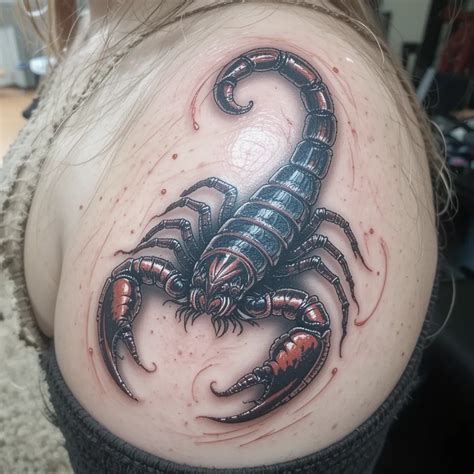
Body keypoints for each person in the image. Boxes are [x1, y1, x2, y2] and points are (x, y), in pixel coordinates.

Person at [1, 0, 446, 472]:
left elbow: (317, 304)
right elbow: (166, 234)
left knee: (320, 259)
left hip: (291, 206)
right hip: (252, 220)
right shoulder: (99, 18)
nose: (205, 304)